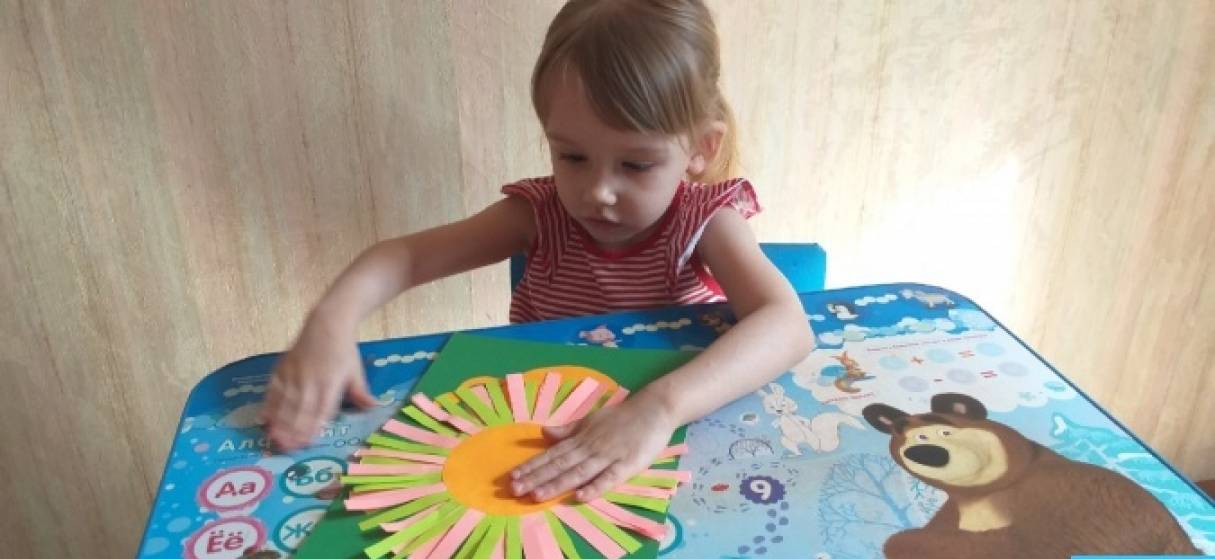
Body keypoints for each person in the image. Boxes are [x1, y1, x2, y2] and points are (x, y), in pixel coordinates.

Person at [265, 0, 814, 504]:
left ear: (701, 148)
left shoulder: (706, 222)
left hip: (668, 436)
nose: (598, 192)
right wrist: (332, 318)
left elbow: (787, 326)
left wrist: (659, 407)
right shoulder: (539, 213)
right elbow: (405, 258)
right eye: (572, 156)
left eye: (636, 164)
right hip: (539, 439)